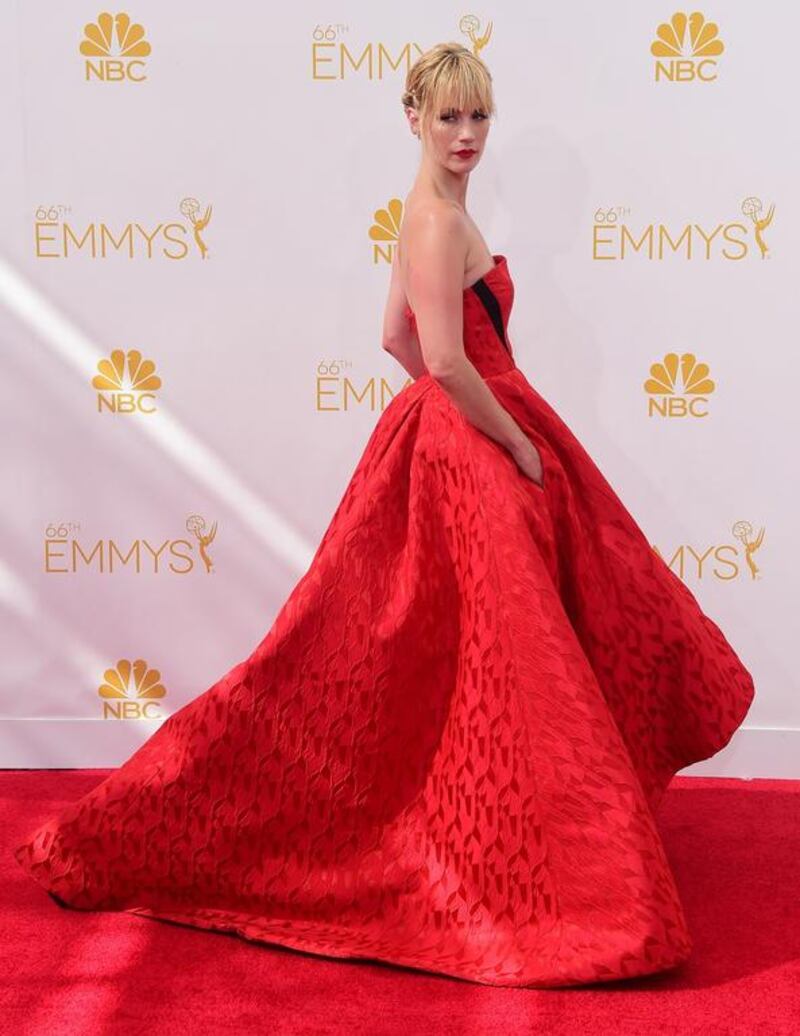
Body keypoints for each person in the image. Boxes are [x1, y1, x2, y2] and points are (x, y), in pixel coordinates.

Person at [14, 42, 755, 989]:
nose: (466, 135)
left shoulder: (431, 214)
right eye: (448, 117)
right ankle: (557, 881)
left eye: (479, 117)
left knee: (453, 661)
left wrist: (453, 420)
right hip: (479, 443)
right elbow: (441, 358)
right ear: (412, 118)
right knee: (509, 667)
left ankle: (517, 844)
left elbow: (390, 336)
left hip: (450, 437)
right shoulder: (438, 223)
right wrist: (513, 445)